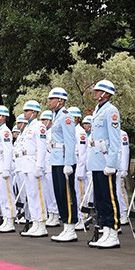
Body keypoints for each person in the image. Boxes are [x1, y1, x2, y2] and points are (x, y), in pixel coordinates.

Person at [87, 80, 122, 249]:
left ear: (106, 93)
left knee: (109, 197)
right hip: (97, 159)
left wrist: (112, 162)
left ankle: (113, 231)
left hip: (106, 159)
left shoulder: (111, 111)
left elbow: (115, 140)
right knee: (100, 198)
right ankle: (106, 229)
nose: (95, 92)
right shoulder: (97, 110)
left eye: (98, 90)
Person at [47, 88, 78, 243]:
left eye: (52, 98)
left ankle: (71, 226)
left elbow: (70, 141)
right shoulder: (56, 116)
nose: (49, 101)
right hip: (56, 159)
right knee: (59, 194)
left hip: (64, 160)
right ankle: (65, 225)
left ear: (61, 100)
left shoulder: (67, 117)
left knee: (67, 194)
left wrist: (69, 163)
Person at [18, 100, 49, 237]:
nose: (25, 113)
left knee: (38, 194)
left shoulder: (39, 126)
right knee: (30, 195)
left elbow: (42, 148)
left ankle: (41, 224)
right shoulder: (28, 128)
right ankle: (35, 222)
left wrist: (39, 165)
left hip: (34, 163)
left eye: (27, 111)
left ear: (34, 112)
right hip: (26, 163)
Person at [0, 105, 16, 233]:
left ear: (3, 117)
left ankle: (10, 219)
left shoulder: (5, 131)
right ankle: (5, 218)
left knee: (7, 194)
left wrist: (6, 168)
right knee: (1, 195)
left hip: (2, 165)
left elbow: (8, 150)